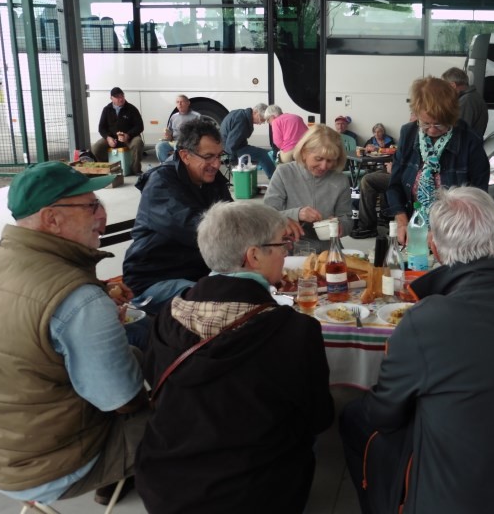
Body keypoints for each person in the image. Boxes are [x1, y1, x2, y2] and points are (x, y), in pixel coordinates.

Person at [339, 187, 494, 514]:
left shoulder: (424, 321)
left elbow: (384, 415)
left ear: (434, 246)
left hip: (456, 502)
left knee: (355, 417)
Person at [0, 162, 148, 507]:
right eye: (90, 206)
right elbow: (123, 400)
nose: (101, 214)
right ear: (51, 219)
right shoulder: (80, 300)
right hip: (53, 467)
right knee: (188, 408)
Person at [136, 201, 334, 514]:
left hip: (165, 484)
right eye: (282, 243)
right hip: (254, 493)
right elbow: (319, 418)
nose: (287, 251)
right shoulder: (294, 330)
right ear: (253, 256)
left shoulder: (167, 315)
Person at [123, 117, 233, 315]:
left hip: (197, 274)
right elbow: (200, 229)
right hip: (154, 280)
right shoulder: (161, 183)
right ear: (185, 155)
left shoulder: (213, 180)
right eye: (208, 157)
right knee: (221, 307)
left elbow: (232, 216)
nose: (216, 164)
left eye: (219, 156)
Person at [385, 76, 490, 244]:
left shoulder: (470, 141)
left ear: (452, 117)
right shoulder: (408, 134)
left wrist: (444, 232)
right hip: (415, 228)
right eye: (425, 123)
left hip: (455, 234)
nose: (432, 130)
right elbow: (395, 185)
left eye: (440, 124)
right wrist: (402, 221)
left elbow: (479, 198)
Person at [264, 124, 353, 253]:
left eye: (330, 161)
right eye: (319, 159)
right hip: (291, 250)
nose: (324, 166)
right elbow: (266, 216)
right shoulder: (284, 173)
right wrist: (297, 214)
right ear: (304, 152)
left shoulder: (340, 180)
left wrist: (340, 226)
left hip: (328, 251)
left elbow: (347, 219)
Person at [92, 87, 145, 174]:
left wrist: (128, 135)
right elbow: (101, 128)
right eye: (117, 97)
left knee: (137, 143)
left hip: (130, 137)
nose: (121, 99)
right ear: (111, 98)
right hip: (112, 138)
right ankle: (108, 168)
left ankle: (135, 170)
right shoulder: (107, 110)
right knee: (96, 148)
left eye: (122, 96)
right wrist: (108, 138)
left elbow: (140, 126)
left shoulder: (132, 109)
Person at [220, 102, 276, 178]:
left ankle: (252, 184)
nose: (260, 123)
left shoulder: (242, 114)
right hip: (230, 150)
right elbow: (231, 144)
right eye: (261, 119)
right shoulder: (241, 120)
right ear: (255, 112)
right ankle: (275, 180)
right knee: (263, 155)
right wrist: (234, 161)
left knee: (261, 154)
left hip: (231, 147)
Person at [442, 66, 489, 138]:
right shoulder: (472, 96)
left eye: (445, 88)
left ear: (453, 85)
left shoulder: (466, 101)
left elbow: (458, 131)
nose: (444, 92)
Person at [155, 94, 201, 163]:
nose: (179, 104)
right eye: (177, 102)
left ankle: (177, 166)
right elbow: (170, 135)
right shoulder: (174, 117)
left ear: (188, 103)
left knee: (178, 145)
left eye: (182, 102)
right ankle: (166, 166)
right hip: (174, 142)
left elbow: (200, 133)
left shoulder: (196, 116)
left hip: (188, 142)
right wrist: (168, 135)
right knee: (160, 146)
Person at [350, 168, 391, 239]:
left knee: (367, 180)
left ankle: (368, 226)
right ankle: (386, 216)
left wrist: (395, 167)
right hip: (401, 170)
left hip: (407, 176)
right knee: (372, 173)